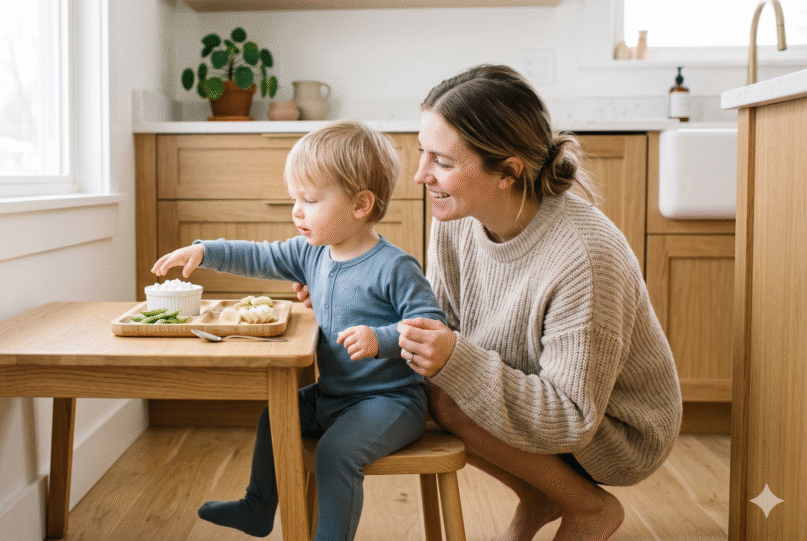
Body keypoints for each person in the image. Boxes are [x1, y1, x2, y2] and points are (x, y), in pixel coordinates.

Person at [295, 65, 682, 541]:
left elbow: (571, 419)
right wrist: (346, 300)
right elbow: (435, 328)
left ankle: (588, 507)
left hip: (611, 429)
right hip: (531, 388)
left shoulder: (585, 255)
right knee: (433, 387)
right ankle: (541, 494)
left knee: (446, 391)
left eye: (442, 162)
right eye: (423, 153)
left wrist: (454, 358)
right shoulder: (456, 218)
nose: (420, 176)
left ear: (508, 171)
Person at [151, 119, 447, 541]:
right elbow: (259, 256)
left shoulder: (395, 266)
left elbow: (431, 326)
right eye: (294, 198)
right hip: (335, 395)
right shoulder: (313, 252)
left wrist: (379, 338)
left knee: (334, 452)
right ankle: (257, 507)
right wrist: (204, 249)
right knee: (276, 417)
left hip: (391, 402)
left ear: (360, 205)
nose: (296, 211)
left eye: (309, 199)